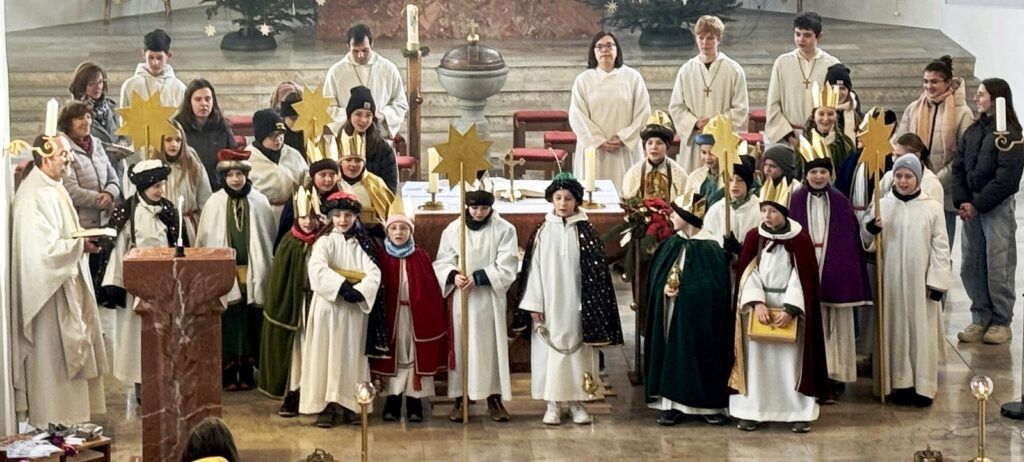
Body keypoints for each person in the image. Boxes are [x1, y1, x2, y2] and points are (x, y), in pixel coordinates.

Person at [11, 135, 108, 428]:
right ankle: (52, 423)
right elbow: (40, 253)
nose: (70, 159)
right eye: (64, 154)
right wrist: (78, 245)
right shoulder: (32, 196)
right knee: (51, 366)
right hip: (48, 297)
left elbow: (65, 236)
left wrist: (82, 243)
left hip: (67, 282)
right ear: (45, 156)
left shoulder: (55, 187)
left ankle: (72, 424)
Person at [517, 172, 624, 425]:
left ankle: (578, 402)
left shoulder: (586, 232)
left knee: (578, 355)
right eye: (558, 198)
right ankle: (552, 404)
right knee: (549, 354)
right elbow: (533, 270)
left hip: (578, 306)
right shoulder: (543, 232)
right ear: (551, 200)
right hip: (548, 305)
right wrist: (534, 304)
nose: (563, 203)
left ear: (576, 201)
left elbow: (597, 274)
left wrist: (591, 305)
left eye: (568, 198)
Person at [729, 178, 830, 433]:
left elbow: (803, 277)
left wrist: (791, 308)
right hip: (759, 310)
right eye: (763, 210)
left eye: (773, 211)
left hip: (789, 309)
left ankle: (796, 411)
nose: (767, 216)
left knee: (790, 363)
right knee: (757, 363)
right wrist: (757, 302)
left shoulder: (800, 239)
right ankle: (752, 411)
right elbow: (748, 273)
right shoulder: (754, 237)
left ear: (784, 213)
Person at [861, 155, 951, 406]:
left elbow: (941, 248)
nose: (902, 181)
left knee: (921, 332)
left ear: (918, 178)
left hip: (921, 284)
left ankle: (922, 386)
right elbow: (866, 239)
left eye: (908, 176)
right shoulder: (882, 205)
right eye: (898, 176)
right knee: (895, 331)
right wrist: (871, 230)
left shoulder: (931, 208)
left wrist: (938, 282)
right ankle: (898, 384)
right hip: (891, 281)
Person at [299, 191, 390, 428]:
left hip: (353, 311)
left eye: (347, 215)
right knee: (325, 354)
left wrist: (359, 291)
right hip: (328, 307)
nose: (342, 220)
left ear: (355, 216)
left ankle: (352, 403)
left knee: (351, 355)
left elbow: (374, 272)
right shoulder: (324, 242)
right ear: (330, 217)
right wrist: (341, 287)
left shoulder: (364, 243)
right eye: (338, 215)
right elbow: (317, 269)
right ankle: (326, 405)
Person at [789, 137, 873, 391]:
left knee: (835, 326)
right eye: (813, 172)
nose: (818, 177)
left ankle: (834, 374)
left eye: (823, 172)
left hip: (834, 269)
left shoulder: (840, 201)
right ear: (806, 174)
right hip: (806, 265)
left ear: (830, 174)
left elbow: (850, 239)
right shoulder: (795, 200)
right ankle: (809, 372)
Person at [644, 191, 732, 426]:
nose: (671, 216)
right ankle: (670, 405)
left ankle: (707, 405)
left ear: (688, 216)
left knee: (698, 354)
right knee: (672, 353)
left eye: (676, 213)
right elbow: (657, 280)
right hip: (671, 314)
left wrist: (686, 294)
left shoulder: (710, 249)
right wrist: (664, 290)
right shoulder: (671, 244)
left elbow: (715, 290)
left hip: (699, 320)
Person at [433, 183, 519, 422]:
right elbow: (443, 260)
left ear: (491, 208)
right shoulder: (454, 229)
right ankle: (461, 397)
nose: (479, 213)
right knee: (462, 346)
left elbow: (508, 264)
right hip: (462, 297)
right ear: (466, 207)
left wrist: (481, 277)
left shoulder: (504, 229)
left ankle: (494, 397)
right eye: (474, 208)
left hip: (488, 298)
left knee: (490, 347)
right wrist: (453, 275)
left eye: (483, 208)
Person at [195, 149, 276, 391]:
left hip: (253, 271)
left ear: (246, 175)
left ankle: (248, 369)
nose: (235, 179)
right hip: (225, 272)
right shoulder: (214, 202)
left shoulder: (260, 201)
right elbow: (205, 238)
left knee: (251, 320)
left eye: (239, 174)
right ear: (224, 177)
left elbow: (268, 236)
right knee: (229, 320)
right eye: (230, 175)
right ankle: (228, 369)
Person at [952, 78, 1024, 345]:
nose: (976, 98)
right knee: (971, 264)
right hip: (971, 206)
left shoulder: (1011, 136)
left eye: (981, 94)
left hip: (996, 208)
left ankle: (1001, 321)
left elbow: (1007, 180)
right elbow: (959, 166)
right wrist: (962, 200)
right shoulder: (972, 132)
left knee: (998, 265)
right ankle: (980, 316)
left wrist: (977, 204)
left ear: (997, 99)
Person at [100, 160, 181, 394]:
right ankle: (141, 384)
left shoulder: (169, 211)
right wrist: (116, 283)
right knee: (137, 338)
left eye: (162, 185)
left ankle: (165, 380)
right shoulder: (128, 211)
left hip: (164, 282)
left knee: (164, 333)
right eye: (155, 186)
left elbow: (178, 243)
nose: (160, 191)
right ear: (144, 187)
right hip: (135, 286)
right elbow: (118, 248)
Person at [371, 198, 448, 423]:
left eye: (403, 228)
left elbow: (431, 290)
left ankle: (415, 402)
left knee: (414, 356)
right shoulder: (381, 257)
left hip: (416, 317)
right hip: (392, 318)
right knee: (394, 357)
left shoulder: (421, 256)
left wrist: (427, 312)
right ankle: (392, 401)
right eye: (393, 228)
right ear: (387, 232)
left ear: (410, 232)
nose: (398, 232)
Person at [897, 55, 975, 245]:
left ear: (948, 83)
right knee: (915, 246)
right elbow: (899, 144)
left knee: (941, 246)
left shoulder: (963, 113)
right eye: (925, 81)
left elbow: (962, 156)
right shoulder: (914, 108)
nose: (928, 86)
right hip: (913, 188)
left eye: (934, 82)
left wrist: (933, 181)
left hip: (944, 191)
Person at [259, 186, 321, 416]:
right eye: (303, 217)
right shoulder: (289, 242)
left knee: (317, 349)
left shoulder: (325, 240)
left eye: (312, 217)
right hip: (296, 305)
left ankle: (317, 394)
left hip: (318, 304)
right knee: (297, 350)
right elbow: (280, 279)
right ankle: (294, 392)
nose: (308, 223)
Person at [569, 31, 651, 194]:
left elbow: (643, 112)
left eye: (609, 45)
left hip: (624, 148)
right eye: (599, 47)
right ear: (593, 52)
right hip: (595, 149)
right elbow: (577, 115)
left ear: (617, 49)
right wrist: (598, 140)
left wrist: (623, 137)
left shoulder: (632, 77)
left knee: (626, 194)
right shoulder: (583, 80)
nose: (604, 50)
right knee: (594, 194)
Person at [60, 101, 122, 312]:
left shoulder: (96, 143)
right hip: (82, 225)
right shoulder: (64, 148)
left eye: (88, 117)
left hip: (104, 222)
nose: (86, 122)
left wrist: (110, 193)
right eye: (80, 118)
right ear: (68, 123)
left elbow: (113, 176)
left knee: (101, 281)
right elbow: (71, 189)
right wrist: (99, 199)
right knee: (83, 287)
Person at [668, 15, 749, 173]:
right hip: (694, 141)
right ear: (696, 38)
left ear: (719, 39)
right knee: (694, 182)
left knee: (722, 182)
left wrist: (716, 124)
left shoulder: (733, 69)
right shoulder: (686, 70)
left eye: (710, 38)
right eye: (701, 38)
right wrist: (694, 123)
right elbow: (676, 107)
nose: (705, 43)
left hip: (722, 140)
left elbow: (741, 108)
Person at [765, 11, 841, 145]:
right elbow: (773, 104)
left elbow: (839, 104)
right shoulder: (782, 63)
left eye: (807, 35)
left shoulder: (832, 64)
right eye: (797, 34)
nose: (801, 39)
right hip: (790, 137)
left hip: (824, 138)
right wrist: (789, 137)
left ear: (819, 36)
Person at [323, 24, 408, 139]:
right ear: (348, 47)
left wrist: (383, 115)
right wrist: (352, 117)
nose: (360, 55)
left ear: (372, 45)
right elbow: (328, 107)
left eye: (365, 50)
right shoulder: (336, 72)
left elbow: (401, 104)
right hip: (348, 136)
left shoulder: (388, 69)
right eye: (355, 51)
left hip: (379, 135)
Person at [148, 123, 213, 243]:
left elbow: (205, 200)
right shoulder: (152, 167)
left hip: (188, 227)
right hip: (160, 227)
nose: (174, 144)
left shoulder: (193, 165)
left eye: (178, 140)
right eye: (168, 140)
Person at [175, 79, 238, 192]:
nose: (204, 103)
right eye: (198, 99)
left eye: (208, 99)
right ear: (189, 102)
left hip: (219, 188)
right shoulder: (178, 128)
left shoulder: (222, 127)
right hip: (188, 188)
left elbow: (233, 159)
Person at [245, 108, 309, 221]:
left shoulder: (293, 154)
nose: (278, 140)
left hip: (293, 212)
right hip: (262, 213)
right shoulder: (248, 159)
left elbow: (306, 177)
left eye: (281, 134)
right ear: (260, 137)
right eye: (272, 136)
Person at [337, 86, 398, 192]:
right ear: (350, 115)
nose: (363, 120)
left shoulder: (383, 149)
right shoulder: (336, 144)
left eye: (368, 115)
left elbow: (390, 188)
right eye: (358, 114)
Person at [336, 127, 395, 234]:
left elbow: (388, 215)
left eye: (358, 160)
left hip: (372, 234)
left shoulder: (376, 183)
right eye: (348, 160)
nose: (353, 164)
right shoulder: (334, 184)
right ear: (340, 163)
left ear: (364, 163)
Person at [621, 110, 688, 202]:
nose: (654, 147)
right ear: (644, 146)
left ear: (667, 146)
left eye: (659, 143)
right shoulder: (634, 173)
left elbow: (684, 203)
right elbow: (628, 202)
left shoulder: (679, 174)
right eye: (650, 143)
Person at [276, 158, 341, 246]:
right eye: (322, 175)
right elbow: (285, 228)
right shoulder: (300, 198)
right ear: (313, 177)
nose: (328, 179)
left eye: (332, 175)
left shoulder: (341, 199)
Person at [704, 155, 760, 256]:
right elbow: (706, 240)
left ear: (748, 182)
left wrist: (740, 250)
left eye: (740, 180)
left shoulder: (759, 210)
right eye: (730, 179)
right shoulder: (716, 209)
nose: (734, 184)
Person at [119, 29, 186, 109]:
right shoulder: (130, 85)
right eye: (150, 57)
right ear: (143, 54)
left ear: (169, 55)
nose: (155, 63)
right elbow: (123, 116)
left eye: (159, 58)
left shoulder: (179, 88)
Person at [69, 61, 128, 148]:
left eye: (100, 82)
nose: (98, 87)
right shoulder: (74, 112)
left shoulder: (110, 106)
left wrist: (123, 142)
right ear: (82, 86)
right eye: (92, 84)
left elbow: (121, 134)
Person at [802, 83, 856, 170]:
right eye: (821, 114)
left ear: (836, 117)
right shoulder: (803, 144)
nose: (826, 119)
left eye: (830, 114)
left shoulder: (846, 144)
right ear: (814, 117)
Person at [825, 64, 862, 144]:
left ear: (849, 91)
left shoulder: (859, 117)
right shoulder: (818, 117)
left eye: (842, 88)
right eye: (833, 88)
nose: (838, 93)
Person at [686, 133, 724, 203]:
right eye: (704, 152)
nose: (707, 157)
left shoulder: (730, 177)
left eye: (712, 153)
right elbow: (686, 203)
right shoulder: (694, 177)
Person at [279, 92, 306, 156]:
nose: (298, 122)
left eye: (302, 118)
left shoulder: (312, 135)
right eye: (293, 119)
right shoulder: (279, 136)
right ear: (284, 118)